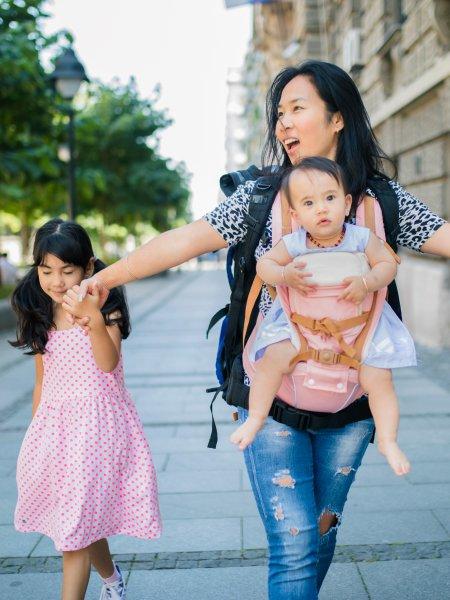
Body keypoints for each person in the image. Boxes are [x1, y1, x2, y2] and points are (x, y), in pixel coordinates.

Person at [66, 61, 450, 599]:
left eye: (297, 108)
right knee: (293, 546)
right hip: (272, 396)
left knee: (319, 534)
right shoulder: (262, 200)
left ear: (337, 118)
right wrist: (104, 278)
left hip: (353, 401)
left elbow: (441, 236)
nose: (282, 124)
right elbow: (185, 239)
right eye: (278, 114)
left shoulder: (380, 201)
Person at [230, 157, 414, 477]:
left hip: (356, 329)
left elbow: (388, 264)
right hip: (302, 327)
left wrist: (368, 281)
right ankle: (257, 417)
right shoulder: (294, 243)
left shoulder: (361, 238)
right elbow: (265, 267)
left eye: (329, 199)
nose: (321, 209)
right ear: (295, 214)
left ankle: (387, 439)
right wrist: (285, 274)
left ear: (346, 204)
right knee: (273, 359)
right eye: (309, 203)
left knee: (379, 378)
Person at [10, 219, 161, 600]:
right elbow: (42, 379)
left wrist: (92, 318)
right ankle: (112, 581)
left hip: (97, 430)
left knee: (73, 531)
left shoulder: (105, 306)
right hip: (56, 431)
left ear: (88, 267)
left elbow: (108, 362)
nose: (56, 281)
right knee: (78, 519)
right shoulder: (41, 313)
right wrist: (35, 433)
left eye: (67, 270)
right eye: (47, 271)